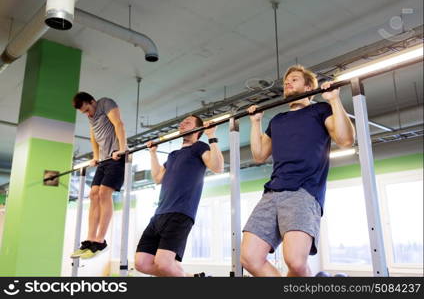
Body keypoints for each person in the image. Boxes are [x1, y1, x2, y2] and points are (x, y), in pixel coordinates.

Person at [240, 65, 355, 277]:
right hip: (272, 193)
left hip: (303, 190)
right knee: (249, 257)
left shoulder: (319, 110)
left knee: (295, 261)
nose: (287, 83)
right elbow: (259, 155)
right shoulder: (277, 120)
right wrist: (255, 123)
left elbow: (346, 139)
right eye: (286, 81)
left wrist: (333, 100)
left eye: (293, 79)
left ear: (309, 86)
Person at [135, 115, 224, 276]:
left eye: (188, 122)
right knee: (141, 263)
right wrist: (153, 153)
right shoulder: (173, 155)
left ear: (198, 129)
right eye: (182, 122)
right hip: (159, 214)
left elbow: (218, 167)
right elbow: (157, 178)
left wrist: (211, 136)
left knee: (164, 264)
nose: (182, 124)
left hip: (180, 213)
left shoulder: (199, 147)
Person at [70, 92, 127, 259]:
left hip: (117, 156)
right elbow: (93, 137)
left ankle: (100, 241)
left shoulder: (105, 103)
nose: (88, 114)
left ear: (92, 101)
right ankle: (90, 239)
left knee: (103, 193)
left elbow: (118, 124)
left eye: (87, 109)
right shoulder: (91, 116)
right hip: (104, 160)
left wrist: (122, 149)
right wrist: (95, 157)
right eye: (84, 113)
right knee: (93, 194)